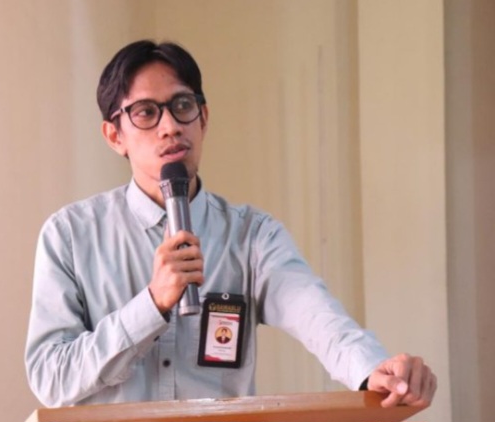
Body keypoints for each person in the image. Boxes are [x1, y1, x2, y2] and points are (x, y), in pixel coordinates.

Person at [25, 39, 437, 409]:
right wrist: (151, 304)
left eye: (182, 106)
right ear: (115, 136)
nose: (170, 126)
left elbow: (318, 317)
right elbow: (50, 378)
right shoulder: (70, 236)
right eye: (146, 112)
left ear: (203, 117)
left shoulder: (252, 236)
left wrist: (374, 370)